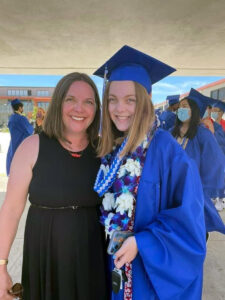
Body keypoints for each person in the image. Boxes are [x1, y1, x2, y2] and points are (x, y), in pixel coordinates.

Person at [94, 45, 206, 300]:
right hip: (118, 270)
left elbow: (190, 222)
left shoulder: (168, 151)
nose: (119, 108)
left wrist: (142, 243)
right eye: (112, 99)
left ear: (145, 100)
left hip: (150, 277)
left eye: (130, 99)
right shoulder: (114, 151)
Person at [0, 72, 108, 300]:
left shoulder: (104, 151)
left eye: (88, 102)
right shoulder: (32, 146)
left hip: (91, 256)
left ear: (96, 109)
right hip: (45, 254)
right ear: (58, 103)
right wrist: (0, 265)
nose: (79, 109)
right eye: (71, 100)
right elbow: (10, 210)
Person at [171, 88, 225, 234]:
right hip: (171, 190)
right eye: (180, 107)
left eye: (185, 107)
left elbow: (215, 161)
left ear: (194, 111)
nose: (180, 110)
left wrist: (203, 189)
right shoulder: (170, 133)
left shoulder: (203, 134)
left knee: (194, 229)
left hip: (192, 192)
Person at [6, 99, 34, 176]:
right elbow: (30, 131)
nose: (23, 109)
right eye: (22, 107)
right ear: (19, 108)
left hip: (12, 145)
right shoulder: (21, 118)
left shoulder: (11, 118)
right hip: (21, 145)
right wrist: (29, 121)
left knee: (13, 168)